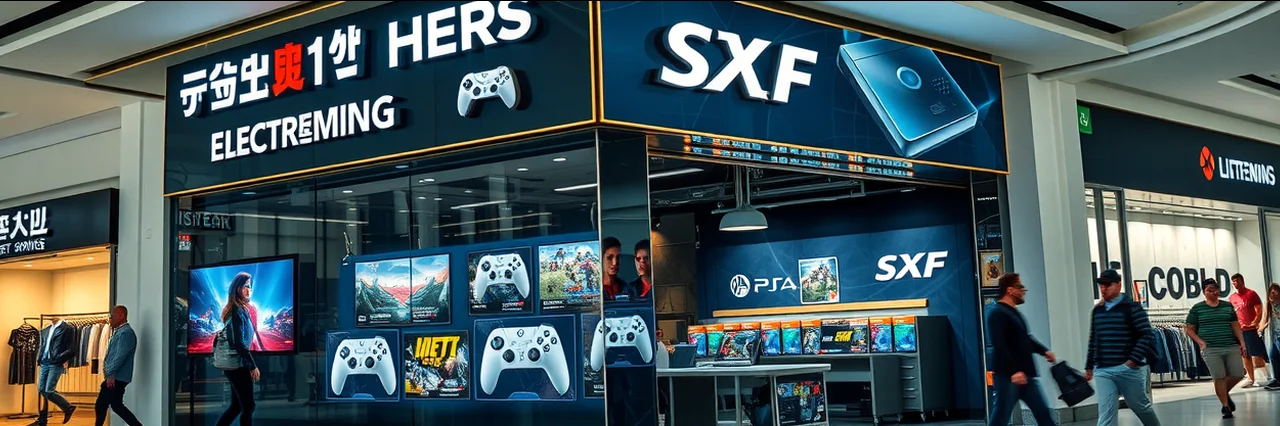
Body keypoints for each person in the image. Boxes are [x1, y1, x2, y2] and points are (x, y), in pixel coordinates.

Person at [1084, 270, 1161, 426]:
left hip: (1129, 369)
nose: (1103, 289)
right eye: (1101, 286)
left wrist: (1132, 361)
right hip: (1103, 370)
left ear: (1118, 285)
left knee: (1139, 406)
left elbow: (1147, 335)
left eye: (1108, 285)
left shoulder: (1132, 308)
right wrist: (1089, 365)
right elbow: (1094, 338)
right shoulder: (1098, 311)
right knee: (1106, 413)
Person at [985, 273, 1058, 426]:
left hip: (1024, 375)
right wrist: (1014, 371)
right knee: (1001, 416)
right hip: (1008, 377)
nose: (1024, 291)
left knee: (1043, 413)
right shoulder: (997, 313)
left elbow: (1025, 339)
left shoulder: (1013, 313)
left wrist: (1044, 351)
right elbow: (1000, 344)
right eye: (1020, 287)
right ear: (1010, 290)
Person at [1185, 278, 1247, 419]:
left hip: (1230, 345)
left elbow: (1235, 325)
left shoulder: (1227, 306)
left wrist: (1242, 341)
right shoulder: (1197, 309)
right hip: (1211, 348)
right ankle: (1225, 406)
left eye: (1215, 289)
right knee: (1219, 377)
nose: (1213, 292)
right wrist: (1201, 343)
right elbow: (1189, 329)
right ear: (1204, 292)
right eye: (1209, 290)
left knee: (1238, 373)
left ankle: (1223, 393)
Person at [217, 272, 261, 426]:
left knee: (237, 406)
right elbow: (238, 342)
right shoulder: (237, 311)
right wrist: (252, 365)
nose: (249, 290)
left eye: (250, 287)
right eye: (245, 286)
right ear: (237, 289)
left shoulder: (239, 309)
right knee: (248, 407)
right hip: (238, 365)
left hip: (236, 364)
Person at [95, 306, 143, 426]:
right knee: (108, 405)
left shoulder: (125, 333)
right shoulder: (120, 332)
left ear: (122, 316)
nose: (111, 318)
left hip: (117, 377)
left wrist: (111, 374)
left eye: (113, 316)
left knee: (107, 405)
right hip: (115, 376)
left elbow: (119, 356)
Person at [1228, 273, 1271, 387]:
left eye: (1237, 281)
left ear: (1242, 281)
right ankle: (1250, 378)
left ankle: (1264, 376)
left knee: (1256, 354)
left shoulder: (1251, 294)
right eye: (1233, 282)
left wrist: (1255, 323)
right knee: (1244, 354)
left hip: (1250, 329)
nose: (1235, 284)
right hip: (1239, 330)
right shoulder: (1232, 298)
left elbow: (1259, 310)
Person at [36, 316, 77, 425]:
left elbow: (72, 350)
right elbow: (43, 346)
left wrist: (58, 358)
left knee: (49, 390)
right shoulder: (45, 330)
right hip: (44, 362)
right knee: (41, 389)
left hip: (55, 363)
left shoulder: (67, 329)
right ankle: (67, 407)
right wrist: (39, 358)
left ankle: (67, 407)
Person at [1258, 283, 1280, 390]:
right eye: (1271, 296)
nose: (1273, 299)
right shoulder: (1268, 304)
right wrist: (1261, 328)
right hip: (1275, 335)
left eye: (1275, 296)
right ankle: (1277, 379)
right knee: (1273, 356)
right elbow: (1264, 318)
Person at [601, 237, 636, 301]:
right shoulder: (595, 290)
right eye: (609, 258)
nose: (615, 263)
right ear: (601, 259)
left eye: (618, 257)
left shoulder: (627, 289)